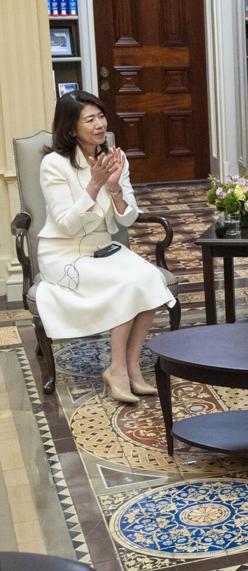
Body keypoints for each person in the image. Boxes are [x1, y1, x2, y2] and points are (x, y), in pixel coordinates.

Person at [36, 91, 176, 404]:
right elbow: (67, 223)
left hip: (103, 248)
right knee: (125, 284)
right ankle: (118, 369)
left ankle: (129, 365)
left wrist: (113, 187)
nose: (100, 124)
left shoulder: (114, 158)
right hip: (64, 253)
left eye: (101, 116)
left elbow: (128, 218)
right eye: (91, 119)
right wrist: (94, 185)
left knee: (149, 277)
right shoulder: (54, 164)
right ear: (72, 128)